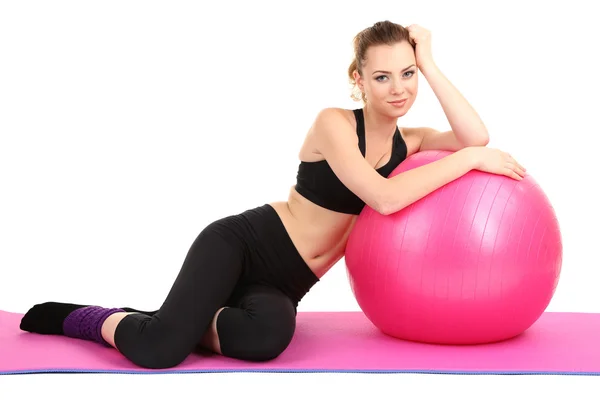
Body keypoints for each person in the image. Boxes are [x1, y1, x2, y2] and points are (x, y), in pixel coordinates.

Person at [19, 20, 526, 369]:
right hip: (244, 244)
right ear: (359, 81)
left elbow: (474, 135)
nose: (399, 88)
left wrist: (432, 63)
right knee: (159, 351)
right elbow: (384, 197)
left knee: (267, 340)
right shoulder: (333, 123)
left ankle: (180, 317)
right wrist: (467, 161)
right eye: (382, 76)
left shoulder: (409, 140)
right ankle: (89, 318)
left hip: (285, 284)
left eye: (407, 74)